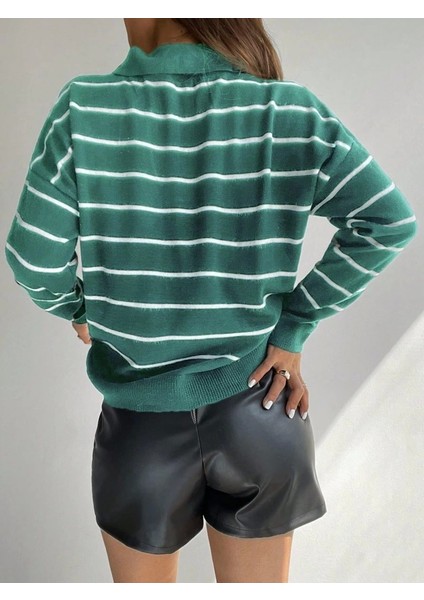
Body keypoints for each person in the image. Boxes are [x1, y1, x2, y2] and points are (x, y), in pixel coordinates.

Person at [4, 18, 418, 583]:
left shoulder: (83, 109)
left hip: (139, 432)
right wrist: (294, 326)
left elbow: (31, 258)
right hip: (261, 411)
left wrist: (76, 308)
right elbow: (387, 222)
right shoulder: (288, 109)